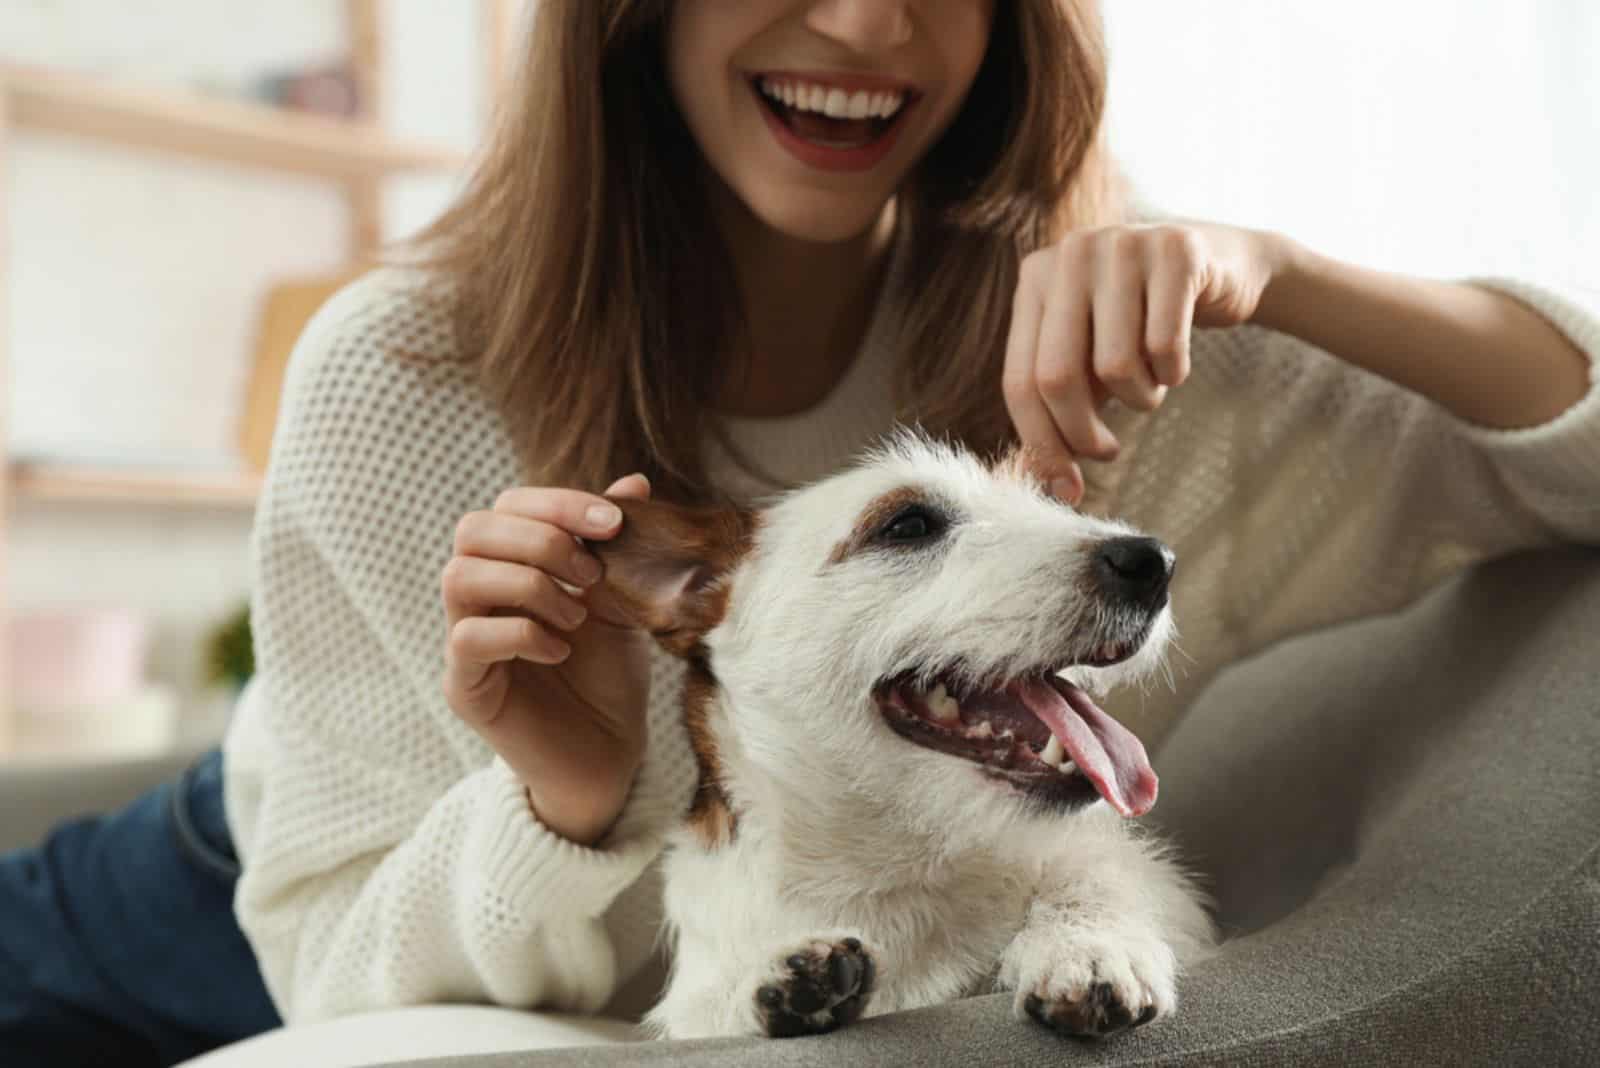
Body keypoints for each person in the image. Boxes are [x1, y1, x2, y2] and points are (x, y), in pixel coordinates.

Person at [4, 2, 1598, 1064]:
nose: (859, 23)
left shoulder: (1131, 365)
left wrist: (1285, 270)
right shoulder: (401, 376)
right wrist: (567, 797)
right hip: (258, 872)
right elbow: (325, 979)